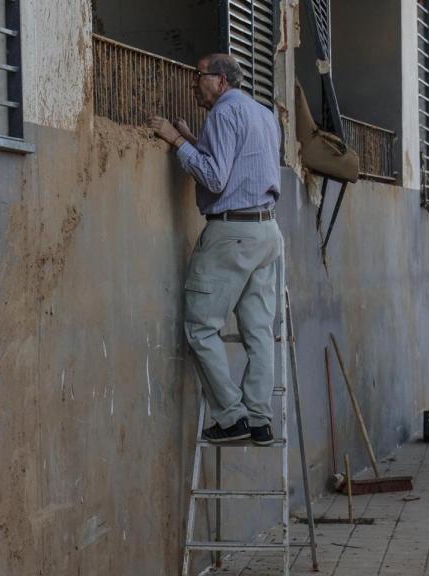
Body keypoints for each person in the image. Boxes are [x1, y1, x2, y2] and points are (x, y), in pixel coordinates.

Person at [148, 53, 283, 446]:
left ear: (220, 80)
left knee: (200, 327)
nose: (193, 83)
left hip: (232, 233)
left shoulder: (223, 115)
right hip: (266, 231)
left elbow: (215, 176)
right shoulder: (261, 114)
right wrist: (192, 139)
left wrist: (175, 142)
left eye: (198, 75)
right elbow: (235, 165)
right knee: (258, 331)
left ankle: (231, 417)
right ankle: (260, 420)